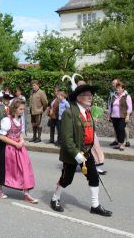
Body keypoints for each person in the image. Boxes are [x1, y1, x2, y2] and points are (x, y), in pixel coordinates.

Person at [50, 84, 112, 217]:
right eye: (87, 95)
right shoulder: (69, 113)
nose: (90, 97)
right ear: (78, 97)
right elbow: (66, 138)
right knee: (66, 179)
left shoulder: (88, 112)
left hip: (87, 152)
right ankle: (55, 199)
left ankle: (95, 206)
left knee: (94, 177)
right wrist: (76, 154)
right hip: (73, 154)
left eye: (91, 95)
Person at [0, 98, 38, 204]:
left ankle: (26, 193)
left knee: (25, 169)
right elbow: (1, 137)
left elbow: (20, 133)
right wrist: (15, 143)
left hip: (19, 148)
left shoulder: (20, 120)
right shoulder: (7, 120)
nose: (22, 111)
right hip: (8, 149)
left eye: (23, 109)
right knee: (4, 171)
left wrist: (22, 140)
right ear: (14, 109)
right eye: (20, 109)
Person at [108, 81, 132, 151]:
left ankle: (122, 144)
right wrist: (109, 115)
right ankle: (119, 143)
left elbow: (130, 107)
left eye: (119, 88)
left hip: (122, 116)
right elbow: (110, 106)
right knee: (117, 130)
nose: (117, 89)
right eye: (117, 88)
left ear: (123, 89)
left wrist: (127, 115)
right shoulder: (113, 96)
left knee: (121, 129)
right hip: (114, 116)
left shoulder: (126, 96)